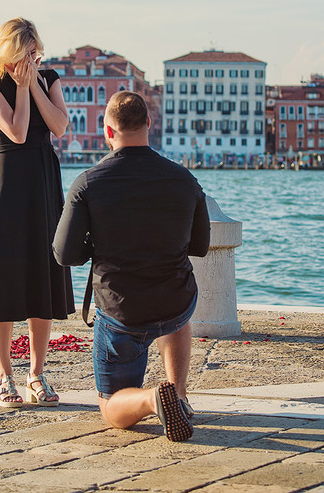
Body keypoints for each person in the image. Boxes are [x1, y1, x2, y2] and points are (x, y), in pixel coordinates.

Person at [53, 91, 210, 441]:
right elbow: (199, 246)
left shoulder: (89, 183)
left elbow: (64, 254)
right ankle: (178, 394)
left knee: (110, 409)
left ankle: (154, 398)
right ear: (149, 125)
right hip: (174, 300)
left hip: (121, 310)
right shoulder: (184, 180)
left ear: (108, 131)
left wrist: (99, 244)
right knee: (177, 308)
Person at [0, 17, 74, 408]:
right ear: (10, 52)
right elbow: (16, 131)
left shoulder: (48, 78)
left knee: (42, 275)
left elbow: (59, 126)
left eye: (36, 52)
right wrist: (19, 87)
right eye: (27, 52)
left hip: (44, 182)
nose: (35, 58)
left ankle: (36, 373)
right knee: (6, 277)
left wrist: (34, 85)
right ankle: (3, 376)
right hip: (9, 183)